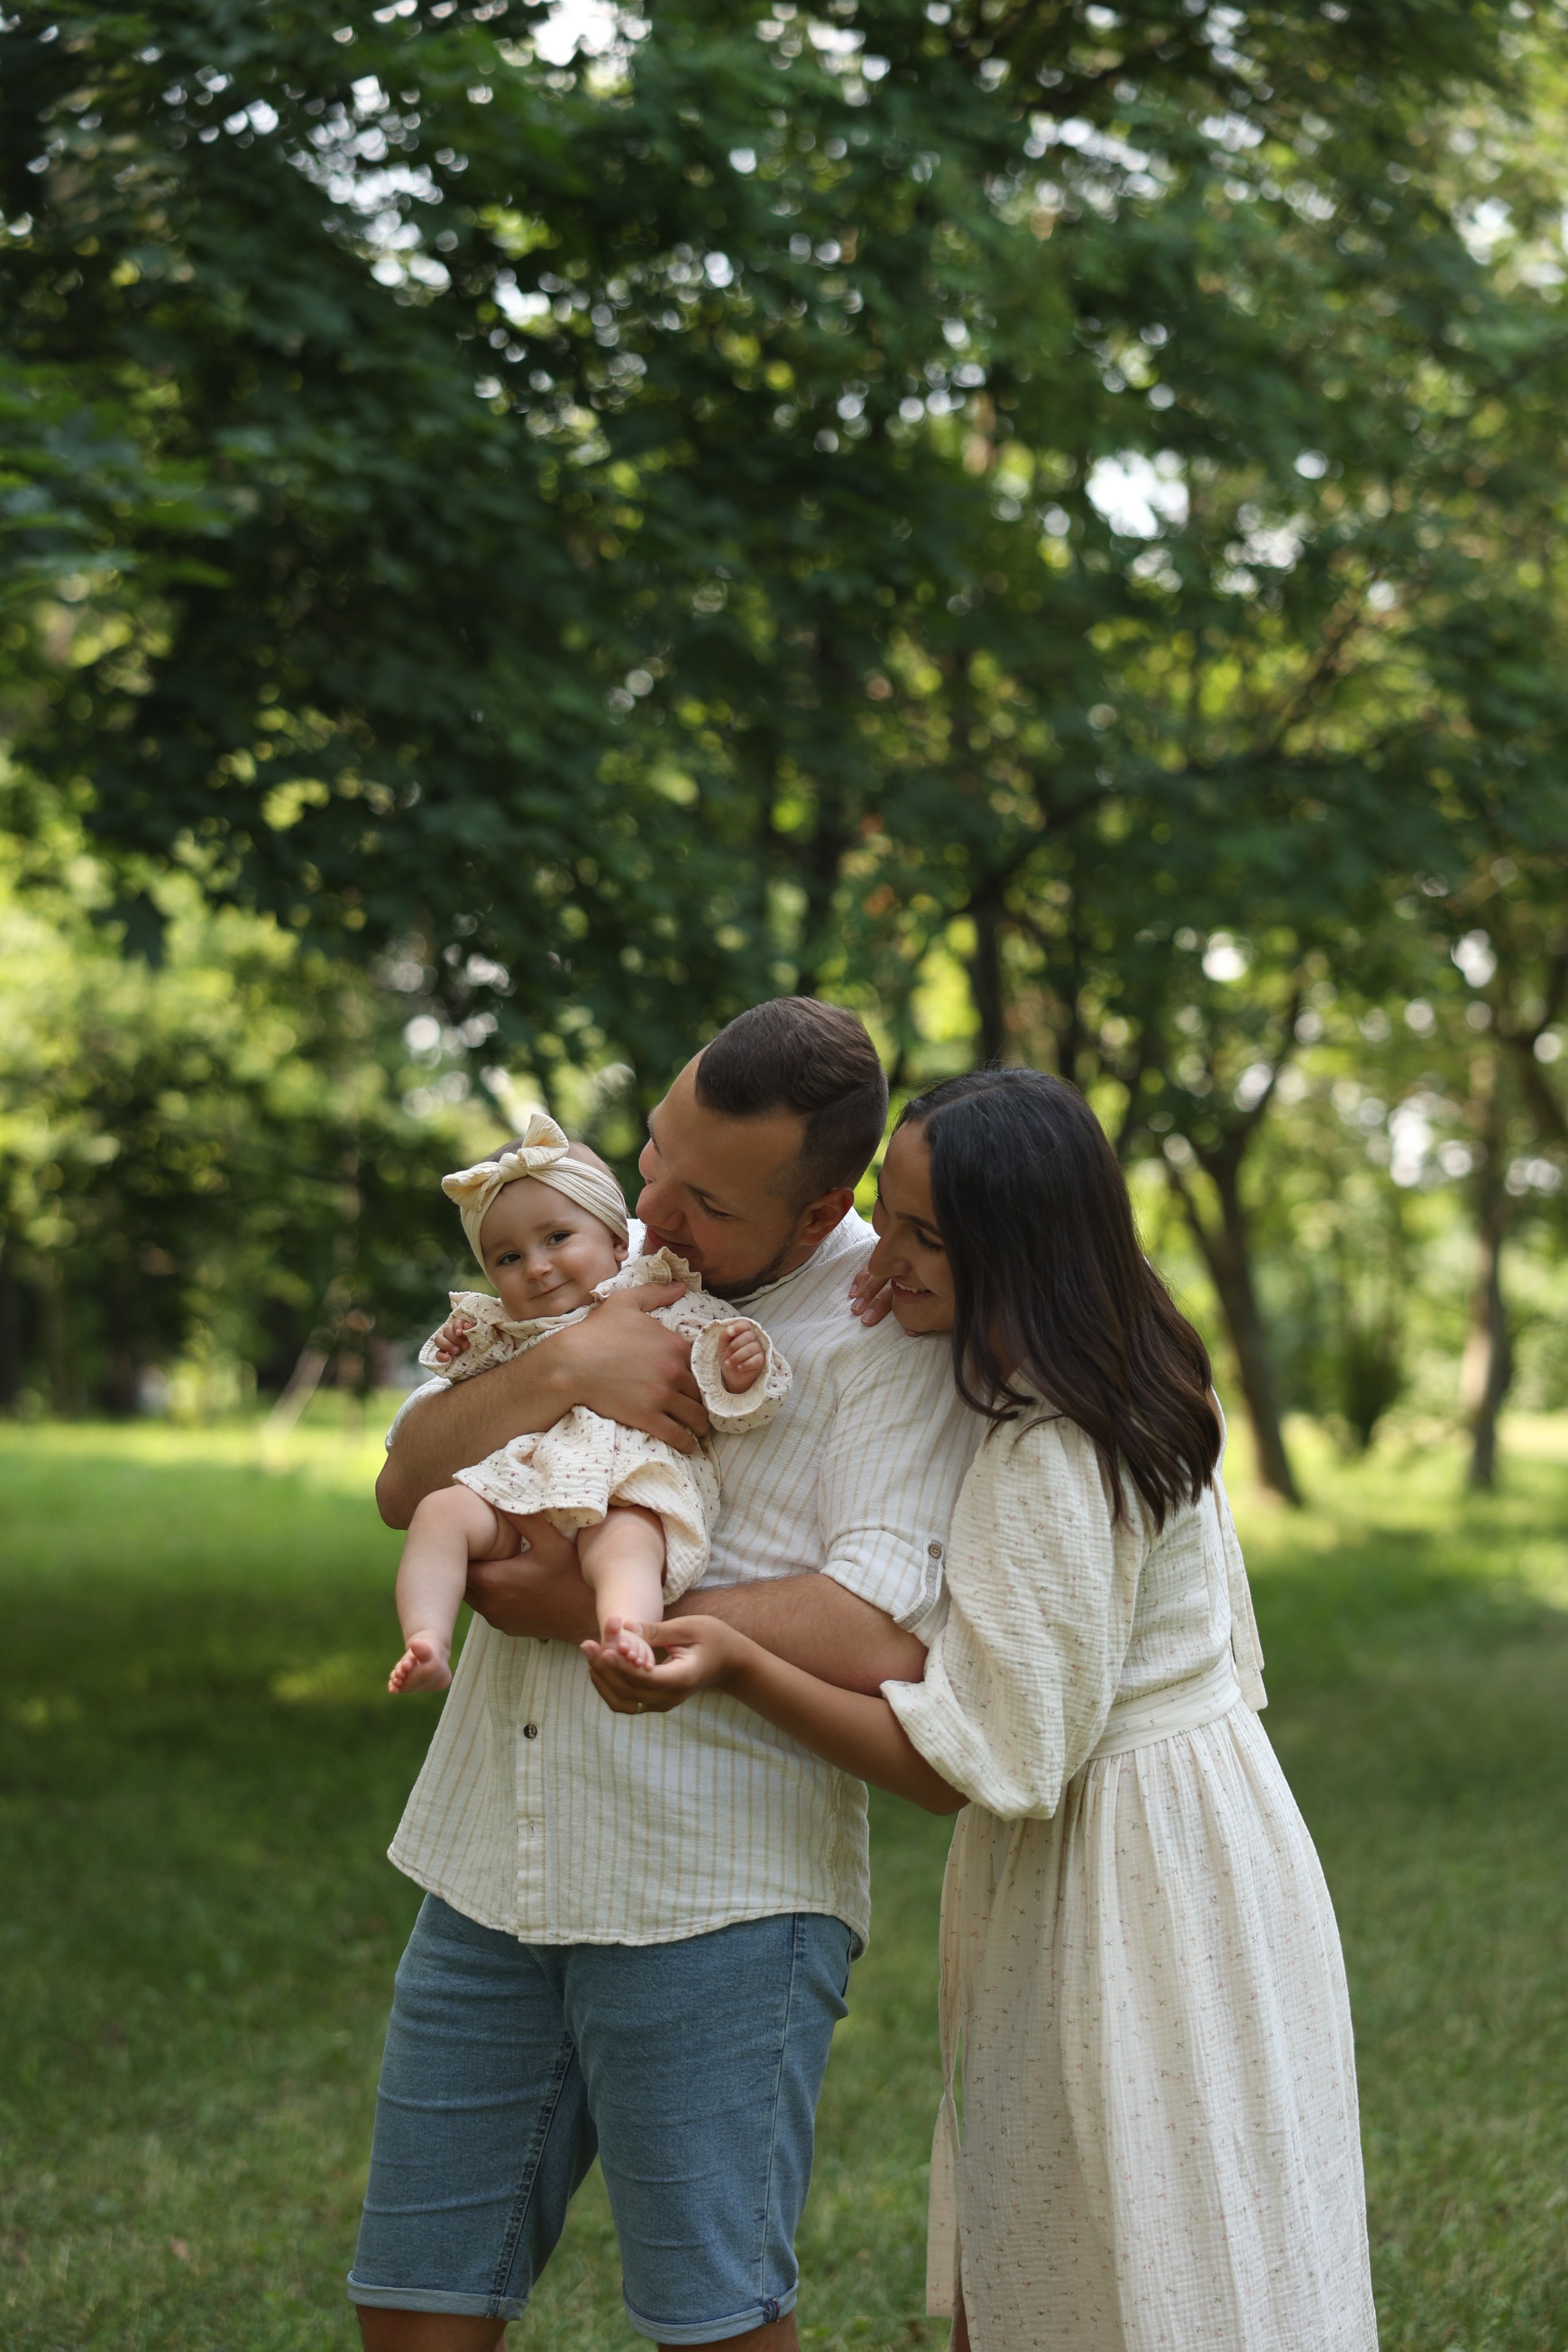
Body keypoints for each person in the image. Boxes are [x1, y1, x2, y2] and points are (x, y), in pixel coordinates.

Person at [589, 1068, 1379, 2352]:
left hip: (1123, 1884)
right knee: (1164, 2218)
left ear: (1013, 1253)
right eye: (885, 1222)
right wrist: (912, 1294)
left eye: (920, 1237)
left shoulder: (1049, 1454)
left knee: (1105, 2235)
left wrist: (737, 1661)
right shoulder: (1139, 1359)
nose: (877, 1257)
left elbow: (967, 1764)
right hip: (1217, 1824)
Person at [350, 998, 982, 2352]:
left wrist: (593, 1599)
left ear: (816, 1216)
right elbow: (408, 1477)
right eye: (650, 1159)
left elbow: (884, 1628)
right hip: (492, 1856)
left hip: (715, 1895)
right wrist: (573, 1360)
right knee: (412, 2298)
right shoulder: (595, 1269)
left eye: (703, 1199)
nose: (652, 1210)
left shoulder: (883, 1332)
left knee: (712, 2319)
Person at [388, 1111, 786, 1693]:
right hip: (521, 1485)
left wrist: (740, 1367)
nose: (538, 1267)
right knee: (439, 1514)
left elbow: (731, 1399)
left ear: (618, 1239)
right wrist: (458, 1348)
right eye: (508, 1259)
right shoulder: (508, 1330)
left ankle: (630, 1637)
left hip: (630, 1481)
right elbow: (464, 1391)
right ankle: (427, 1641)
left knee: (627, 1547)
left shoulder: (661, 1297)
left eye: (556, 1238)